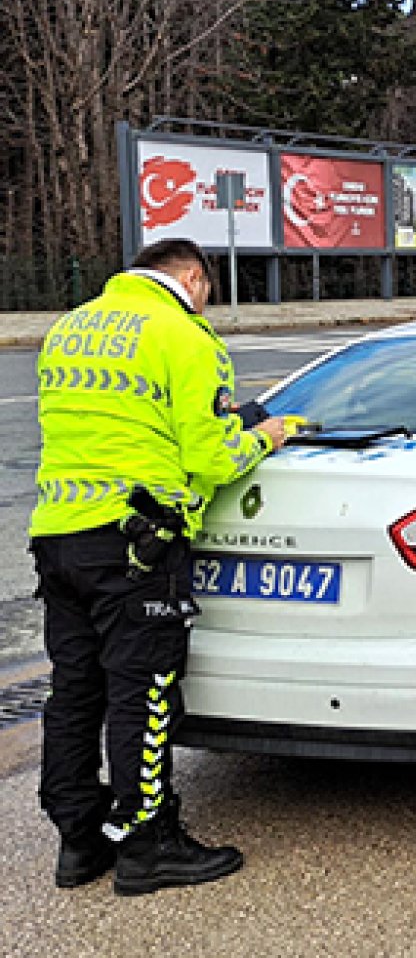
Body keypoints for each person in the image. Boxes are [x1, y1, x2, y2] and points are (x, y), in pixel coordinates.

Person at [32, 238, 287, 895]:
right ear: (194, 278)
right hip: (136, 545)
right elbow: (210, 458)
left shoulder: (71, 327)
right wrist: (264, 437)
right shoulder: (185, 335)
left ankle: (79, 840)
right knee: (142, 693)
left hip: (59, 535)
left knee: (74, 691)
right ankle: (148, 845)